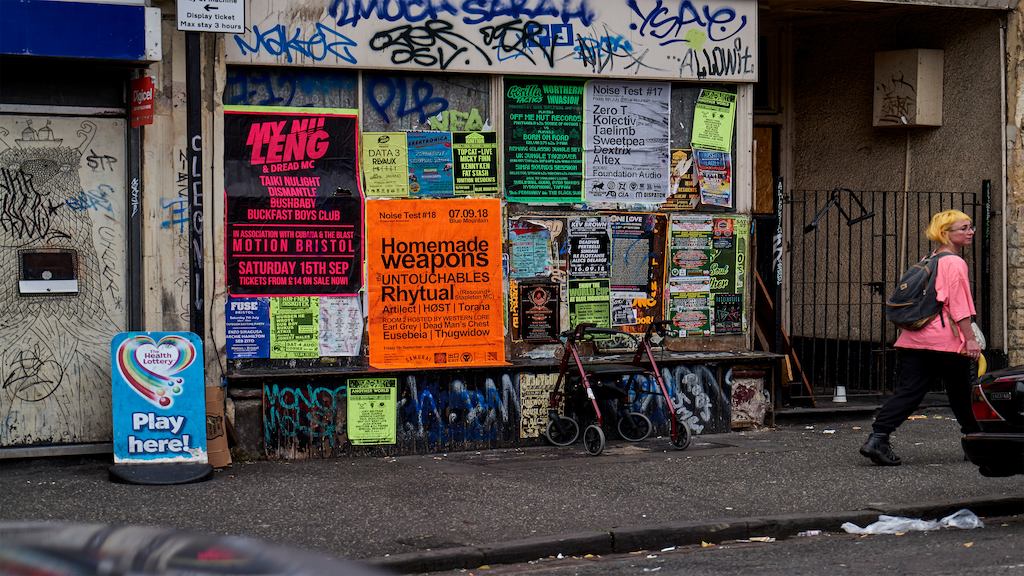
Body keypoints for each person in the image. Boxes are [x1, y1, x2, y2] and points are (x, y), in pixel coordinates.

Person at [860, 209, 981, 466]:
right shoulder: (954, 263)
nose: (970, 232)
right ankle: (976, 442)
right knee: (962, 393)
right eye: (963, 228)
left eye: (971, 227)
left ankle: (877, 437)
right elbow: (959, 306)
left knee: (909, 392)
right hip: (945, 342)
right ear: (945, 233)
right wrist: (970, 339)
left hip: (914, 339)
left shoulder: (930, 259)